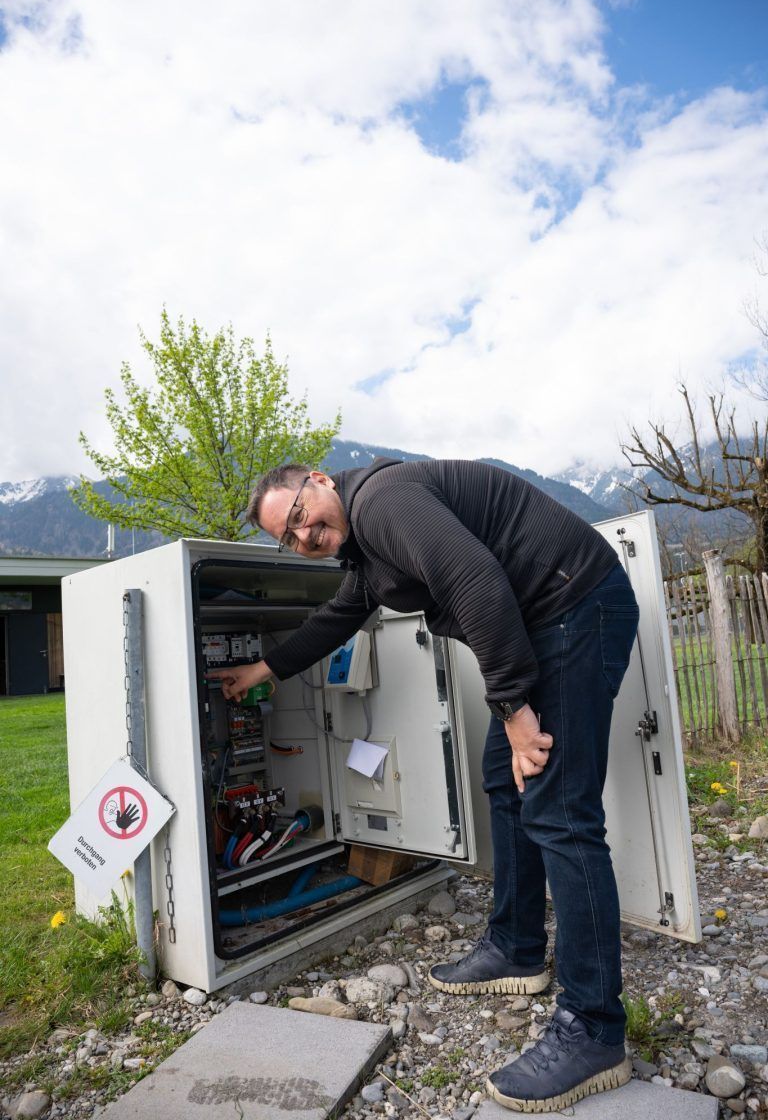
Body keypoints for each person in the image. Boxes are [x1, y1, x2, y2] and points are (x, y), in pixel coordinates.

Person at [209, 456, 639, 1112]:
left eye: (300, 517)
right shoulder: (363, 545)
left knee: (560, 813)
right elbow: (339, 615)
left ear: (320, 480)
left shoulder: (382, 501)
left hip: (575, 609)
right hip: (547, 623)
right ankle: (517, 947)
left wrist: (514, 708)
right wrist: (264, 668)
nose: (304, 537)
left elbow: (475, 580)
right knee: (505, 783)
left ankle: (595, 1029)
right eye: (288, 538)